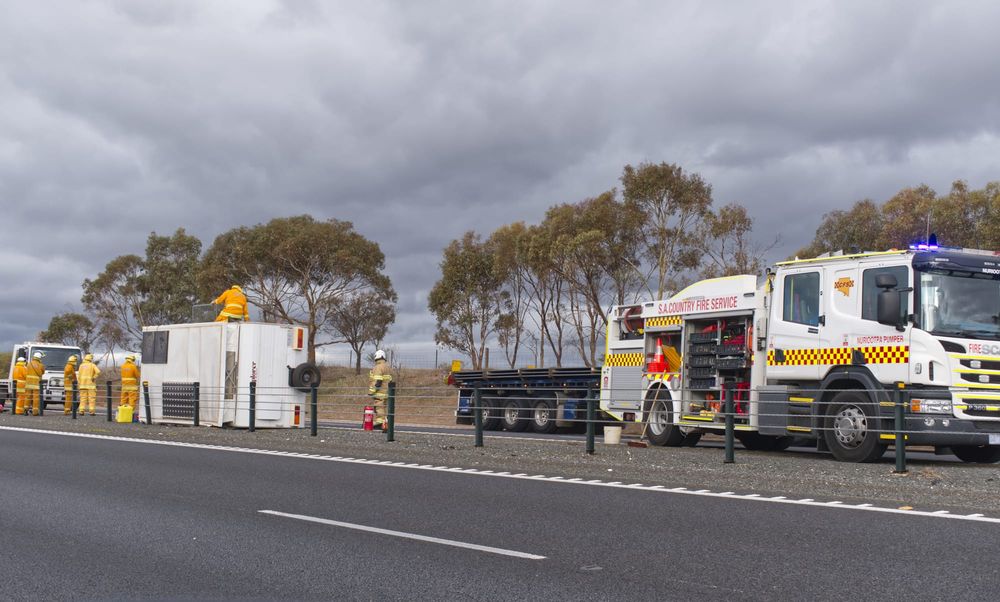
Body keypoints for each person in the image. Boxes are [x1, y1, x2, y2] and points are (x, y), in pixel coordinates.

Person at [367, 349, 393, 431]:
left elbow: (378, 381)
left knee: (379, 407)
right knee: (384, 407)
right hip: (388, 392)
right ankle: (385, 424)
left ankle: (380, 423)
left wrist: (371, 391)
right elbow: (390, 380)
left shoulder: (378, 367)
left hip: (380, 392)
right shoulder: (388, 367)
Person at [25, 352, 46, 416]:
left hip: (28, 383)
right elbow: (42, 372)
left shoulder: (29, 364)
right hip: (36, 384)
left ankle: (25, 410)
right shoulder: (40, 365)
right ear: (39, 358)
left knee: (28, 397)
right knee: (36, 398)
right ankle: (35, 412)